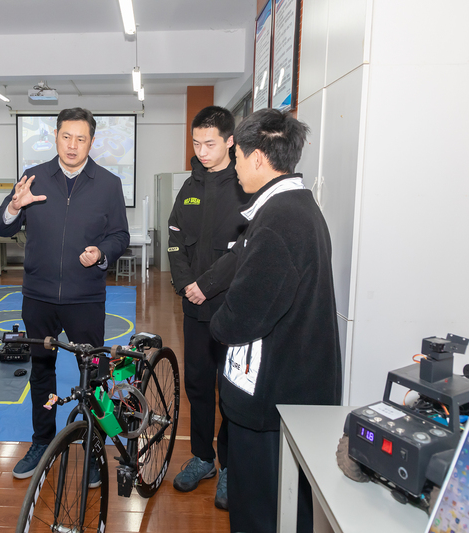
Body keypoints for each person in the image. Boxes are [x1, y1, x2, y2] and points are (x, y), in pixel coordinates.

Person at [210, 109, 342, 533]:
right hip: (292, 392)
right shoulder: (299, 207)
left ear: (257, 159)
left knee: (260, 513)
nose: (234, 168)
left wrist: (219, 319)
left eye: (237, 158)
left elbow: (240, 318)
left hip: (272, 402)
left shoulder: (279, 220)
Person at [0, 108, 130, 483]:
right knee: (41, 372)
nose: (72, 145)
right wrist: (14, 206)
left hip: (86, 298)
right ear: (55, 136)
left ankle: (94, 448)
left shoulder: (108, 184)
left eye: (80, 138)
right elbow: (1, 227)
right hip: (38, 297)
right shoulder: (33, 177)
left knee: (96, 375)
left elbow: (120, 235)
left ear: (92, 141)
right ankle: (42, 441)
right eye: (66, 136)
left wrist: (102, 253)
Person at [167, 106, 252, 507]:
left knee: (231, 390)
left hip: (233, 309)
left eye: (210, 144)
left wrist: (208, 284)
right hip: (195, 309)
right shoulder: (190, 186)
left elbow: (246, 249)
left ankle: (231, 466)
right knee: (198, 385)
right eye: (196, 143)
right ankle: (203, 458)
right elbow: (174, 239)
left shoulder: (246, 186)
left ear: (230, 141)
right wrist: (187, 284)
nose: (201, 151)